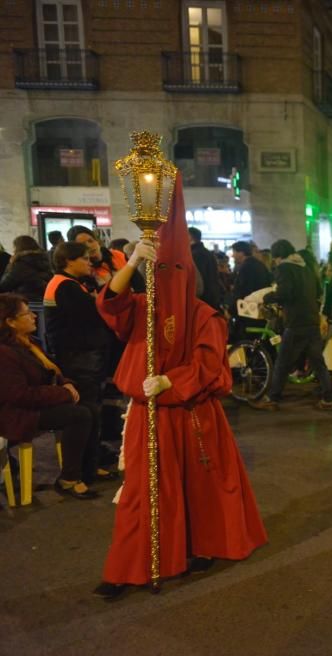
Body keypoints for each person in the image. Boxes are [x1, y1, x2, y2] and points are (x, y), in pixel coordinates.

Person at [92, 181, 267, 599]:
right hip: (148, 415)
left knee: (198, 488)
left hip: (192, 415)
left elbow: (210, 366)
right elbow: (109, 304)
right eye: (162, 270)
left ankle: (200, 545)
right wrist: (133, 260)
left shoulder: (206, 316)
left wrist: (173, 380)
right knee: (142, 492)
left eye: (177, 271)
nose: (168, 278)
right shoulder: (141, 306)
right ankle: (127, 568)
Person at [0, 294, 97, 500]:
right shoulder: (5, 353)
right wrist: (62, 393)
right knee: (78, 415)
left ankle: (88, 469)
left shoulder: (28, 343)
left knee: (90, 406)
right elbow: (19, 395)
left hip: (35, 404)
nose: (34, 316)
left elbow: (51, 372)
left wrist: (66, 383)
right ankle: (69, 478)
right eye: (27, 313)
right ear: (10, 322)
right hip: (17, 414)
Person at [44, 241, 116, 483]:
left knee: (92, 414)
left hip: (80, 357)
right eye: (84, 258)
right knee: (88, 415)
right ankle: (84, 472)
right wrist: (97, 300)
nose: (89, 263)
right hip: (79, 359)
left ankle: (91, 467)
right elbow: (95, 315)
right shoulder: (66, 286)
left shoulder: (70, 284)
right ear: (68, 261)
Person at [249, 239, 332, 411]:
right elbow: (316, 291)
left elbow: (285, 292)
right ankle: (328, 399)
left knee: (283, 362)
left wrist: (267, 298)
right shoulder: (305, 267)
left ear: (278, 256)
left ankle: (272, 399)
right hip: (311, 319)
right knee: (318, 362)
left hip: (296, 322)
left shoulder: (284, 268)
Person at [67, 225, 129, 289]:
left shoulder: (117, 255)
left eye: (90, 241)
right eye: (83, 245)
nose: (89, 246)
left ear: (97, 240)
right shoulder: (82, 270)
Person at [0, 236, 53, 302]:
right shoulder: (44, 259)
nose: (13, 251)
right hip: (46, 301)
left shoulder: (20, 265)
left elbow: (4, 286)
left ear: (18, 248)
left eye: (14, 248)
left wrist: (10, 265)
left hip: (26, 303)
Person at [188, 226, 222, 311]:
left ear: (190, 237)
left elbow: (198, 282)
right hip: (212, 297)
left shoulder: (195, 255)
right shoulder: (207, 252)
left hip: (203, 300)